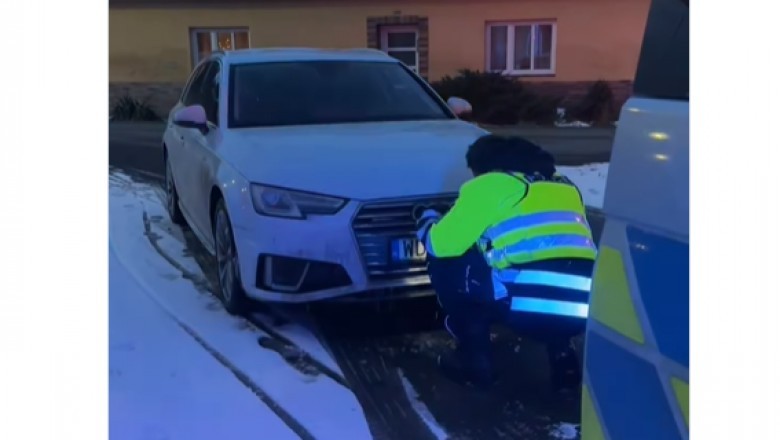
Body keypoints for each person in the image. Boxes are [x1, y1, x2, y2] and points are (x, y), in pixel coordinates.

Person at [416, 134, 597, 390]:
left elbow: (442, 245)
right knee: (552, 264)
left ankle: (475, 364)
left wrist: (427, 217)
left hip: (525, 309)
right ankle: (563, 361)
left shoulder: (493, 184)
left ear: (485, 166)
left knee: (448, 264)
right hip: (580, 308)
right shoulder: (564, 186)